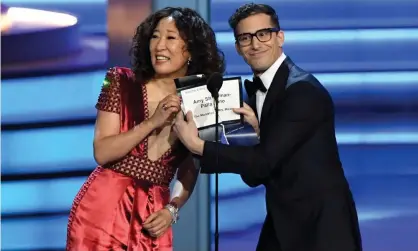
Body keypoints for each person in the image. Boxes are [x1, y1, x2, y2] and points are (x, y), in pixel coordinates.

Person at [173, 3, 362, 251]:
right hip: (283, 222)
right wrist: (253, 135)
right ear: (238, 47)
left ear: (279, 37)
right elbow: (256, 175)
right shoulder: (258, 94)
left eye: (263, 34)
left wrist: (198, 145)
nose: (255, 44)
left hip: (321, 229)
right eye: (245, 38)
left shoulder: (302, 92)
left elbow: (263, 162)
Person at [66, 7, 225, 251]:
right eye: (154, 36)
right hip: (103, 212)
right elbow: (102, 152)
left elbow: (190, 168)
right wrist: (152, 122)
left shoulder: (201, 99)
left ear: (192, 50)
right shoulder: (120, 81)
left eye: (170, 38)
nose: (159, 45)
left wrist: (172, 208)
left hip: (154, 216)